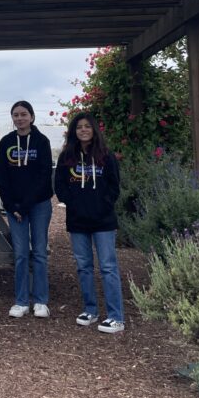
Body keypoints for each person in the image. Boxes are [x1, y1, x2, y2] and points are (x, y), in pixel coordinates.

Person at [53, 111, 125, 333]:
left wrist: (102, 205)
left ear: (94, 129)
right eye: (79, 127)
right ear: (74, 131)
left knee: (108, 267)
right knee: (83, 266)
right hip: (78, 221)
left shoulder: (106, 156)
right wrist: (73, 202)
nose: (83, 130)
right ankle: (90, 310)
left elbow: (114, 186)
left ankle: (116, 317)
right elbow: (60, 185)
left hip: (103, 220)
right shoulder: (67, 157)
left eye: (87, 126)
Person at [0, 100, 54, 319]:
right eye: (16, 115)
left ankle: (40, 301)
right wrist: (11, 205)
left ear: (31, 116)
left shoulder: (41, 141)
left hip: (38, 205)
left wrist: (26, 204)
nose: (19, 118)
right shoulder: (6, 142)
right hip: (15, 208)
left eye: (23, 114)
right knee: (20, 254)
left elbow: (44, 174)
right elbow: (1, 176)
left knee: (39, 252)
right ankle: (21, 301)